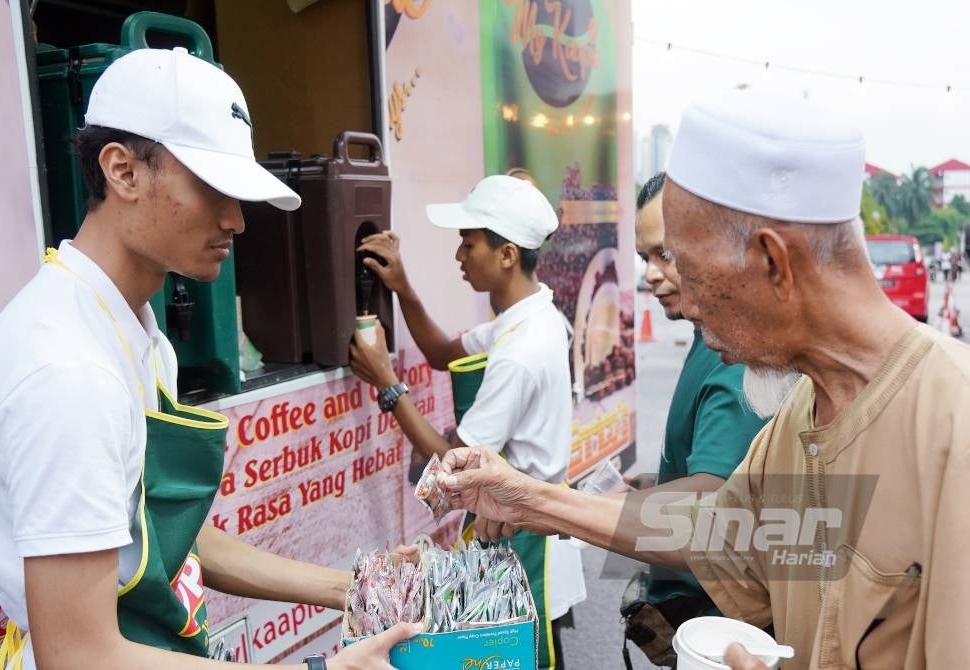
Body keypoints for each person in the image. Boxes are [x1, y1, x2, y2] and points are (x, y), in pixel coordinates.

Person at [435, 89, 970, 669]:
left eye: (687, 265)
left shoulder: (952, 427)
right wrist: (532, 500)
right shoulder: (796, 418)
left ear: (772, 262)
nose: (678, 295)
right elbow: (717, 530)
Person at [0, 47, 419, 670]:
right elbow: (77, 655)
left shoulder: (135, 331)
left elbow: (156, 538)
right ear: (123, 171)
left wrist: (349, 588)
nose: (236, 219)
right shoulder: (67, 372)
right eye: (212, 188)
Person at [348, 175, 585, 669]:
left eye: (468, 242)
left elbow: (449, 461)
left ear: (507, 255)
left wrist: (388, 385)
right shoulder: (523, 317)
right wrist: (403, 289)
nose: (459, 255)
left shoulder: (521, 349)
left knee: (523, 656)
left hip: (523, 536)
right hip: (517, 526)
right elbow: (441, 352)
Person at [622, 171, 769, 668]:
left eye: (667, 254)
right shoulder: (703, 332)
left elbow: (712, 496)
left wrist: (558, 507)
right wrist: (652, 484)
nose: (651, 274)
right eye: (645, 257)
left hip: (718, 633)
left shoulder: (735, 352)